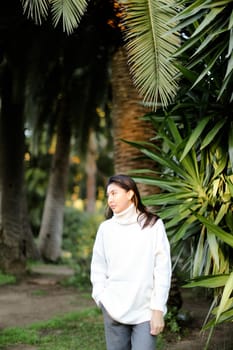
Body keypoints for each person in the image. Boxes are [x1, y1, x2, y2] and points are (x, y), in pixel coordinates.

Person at [90, 174, 171, 350]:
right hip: (113, 309)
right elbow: (98, 266)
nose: (110, 199)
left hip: (145, 312)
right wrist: (101, 297)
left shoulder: (153, 225)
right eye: (108, 195)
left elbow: (162, 270)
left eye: (114, 193)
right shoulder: (106, 229)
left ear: (130, 194)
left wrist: (158, 309)